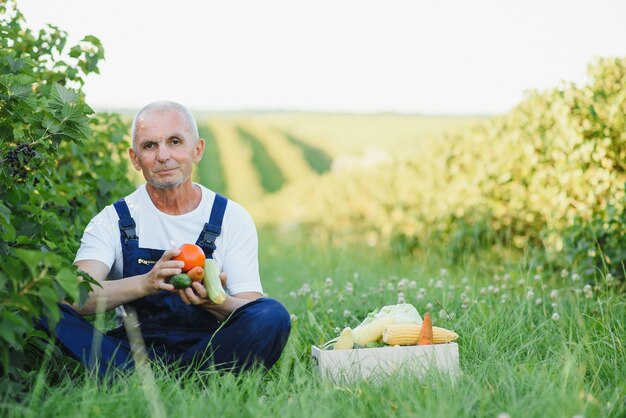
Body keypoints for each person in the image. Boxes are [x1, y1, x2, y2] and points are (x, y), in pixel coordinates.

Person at [37, 100, 291, 378]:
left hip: (208, 347)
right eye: (149, 146)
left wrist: (212, 302)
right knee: (42, 303)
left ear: (197, 150)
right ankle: (188, 380)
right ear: (135, 159)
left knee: (272, 315)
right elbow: (74, 297)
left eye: (174, 141)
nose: (163, 155)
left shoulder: (231, 216)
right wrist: (145, 284)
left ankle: (154, 379)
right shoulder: (113, 219)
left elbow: (249, 309)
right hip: (131, 349)